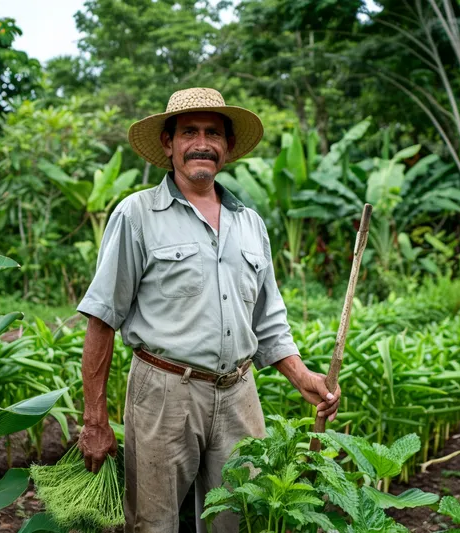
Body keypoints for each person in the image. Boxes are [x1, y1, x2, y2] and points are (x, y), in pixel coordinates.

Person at [77, 87, 341, 533]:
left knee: (239, 519)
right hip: (164, 392)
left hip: (240, 393)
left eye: (213, 133)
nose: (202, 142)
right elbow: (103, 318)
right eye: (190, 132)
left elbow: (268, 318)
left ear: (227, 146)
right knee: (152, 524)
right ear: (168, 144)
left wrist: (303, 377)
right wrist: (94, 418)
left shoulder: (250, 223)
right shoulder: (137, 215)